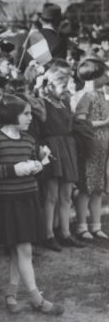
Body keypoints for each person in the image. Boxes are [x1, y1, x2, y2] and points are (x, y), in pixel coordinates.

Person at [0, 95, 64, 316]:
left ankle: (11, 294)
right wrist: (13, 170)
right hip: (8, 202)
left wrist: (40, 163)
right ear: (10, 115)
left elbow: (35, 168)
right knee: (23, 249)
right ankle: (37, 299)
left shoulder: (29, 140)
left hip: (28, 199)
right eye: (26, 113)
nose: (30, 117)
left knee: (22, 249)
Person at [39, 64, 86, 249]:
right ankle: (48, 234)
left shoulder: (65, 102)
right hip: (51, 148)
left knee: (66, 194)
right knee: (51, 195)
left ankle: (65, 232)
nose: (66, 90)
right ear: (50, 86)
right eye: (62, 87)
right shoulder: (42, 103)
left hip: (67, 147)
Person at [74, 58, 109, 240]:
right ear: (94, 76)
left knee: (97, 187)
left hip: (101, 149)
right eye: (104, 74)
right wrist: (104, 122)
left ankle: (96, 225)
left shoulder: (101, 95)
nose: (107, 77)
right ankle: (81, 226)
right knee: (85, 187)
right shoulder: (86, 96)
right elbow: (80, 121)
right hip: (89, 147)